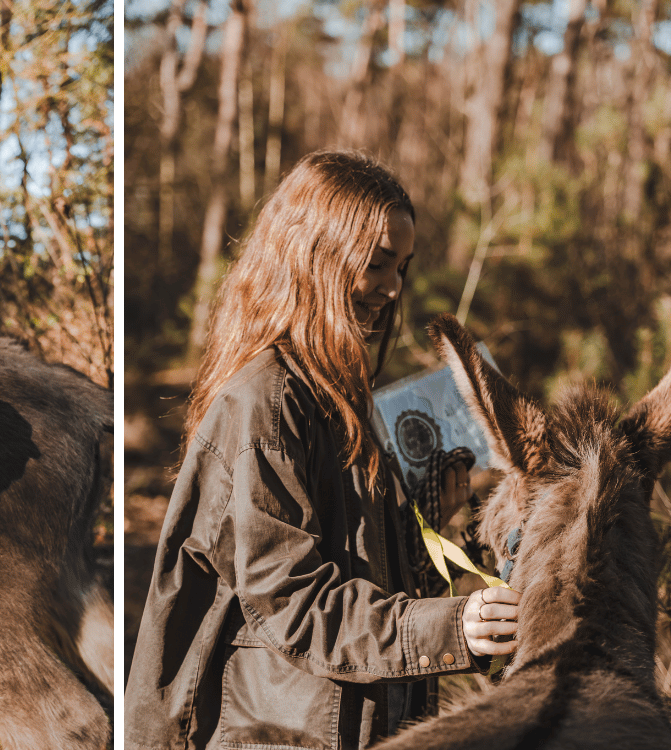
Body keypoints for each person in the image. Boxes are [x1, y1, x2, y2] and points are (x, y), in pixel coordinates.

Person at [124, 150, 522, 750]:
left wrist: (428, 527)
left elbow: (363, 578)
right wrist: (452, 628)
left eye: (402, 268)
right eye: (377, 263)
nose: (391, 289)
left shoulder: (343, 401)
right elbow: (292, 599)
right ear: (316, 255)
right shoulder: (261, 402)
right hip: (274, 733)